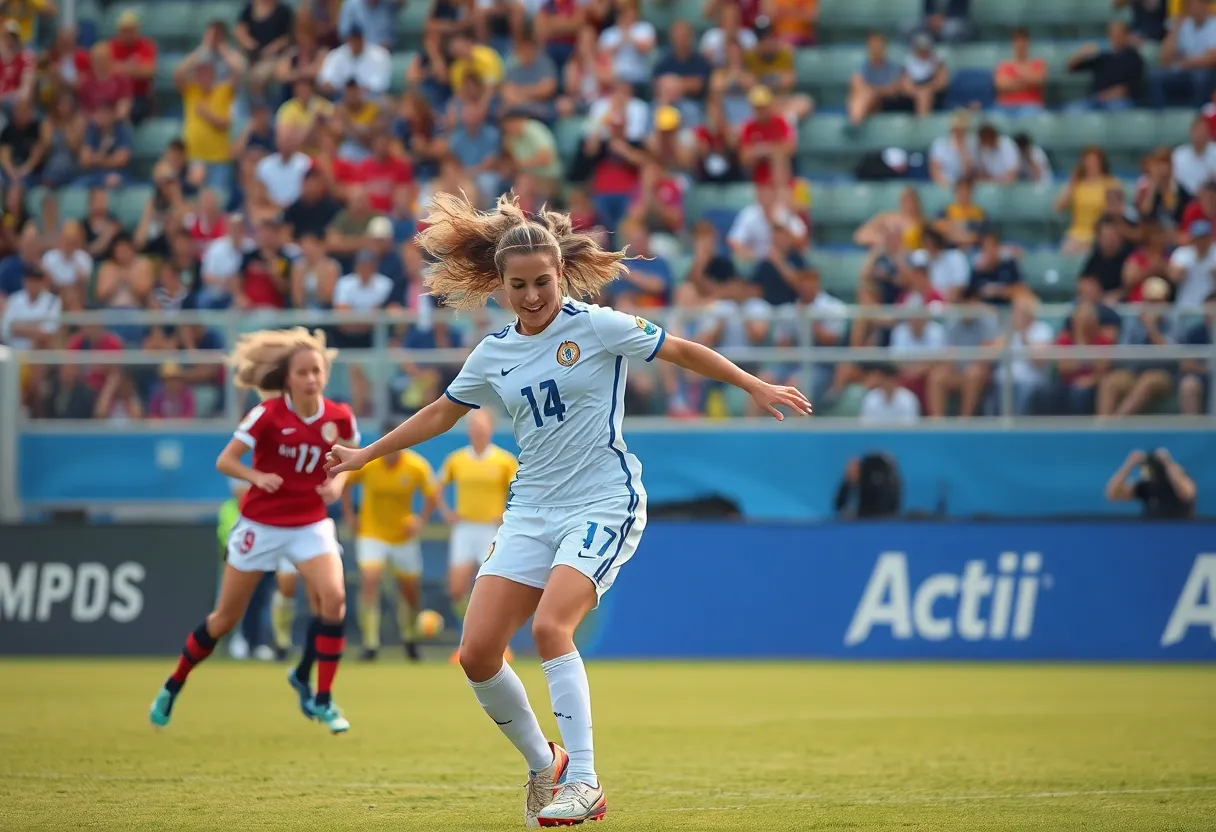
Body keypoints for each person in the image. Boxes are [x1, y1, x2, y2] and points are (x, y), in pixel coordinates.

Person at [325, 193, 811, 826]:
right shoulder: (493, 353)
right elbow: (441, 413)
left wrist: (753, 384)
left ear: (562, 275)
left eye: (543, 282)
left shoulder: (596, 325)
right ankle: (544, 763)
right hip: (530, 510)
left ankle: (584, 782)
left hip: (602, 501)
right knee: (476, 653)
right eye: (519, 285)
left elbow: (682, 349)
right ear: (498, 286)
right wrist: (367, 453)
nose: (533, 296)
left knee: (551, 629)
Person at [149, 328, 359, 734]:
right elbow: (225, 461)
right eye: (303, 372)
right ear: (287, 379)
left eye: (317, 370)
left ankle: (323, 698)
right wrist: (255, 476)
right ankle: (173, 684)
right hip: (260, 525)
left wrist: (337, 484)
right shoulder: (267, 414)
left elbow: (349, 462)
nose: (311, 378)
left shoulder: (340, 416)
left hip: (310, 522)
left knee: (333, 599)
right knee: (223, 619)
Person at [339, 422, 439, 662]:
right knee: (370, 579)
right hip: (372, 532)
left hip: (403, 537)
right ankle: (370, 644)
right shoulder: (369, 462)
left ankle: (410, 638)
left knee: (410, 592)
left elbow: (433, 494)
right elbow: (344, 483)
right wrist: (350, 515)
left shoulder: (416, 466)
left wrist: (420, 520)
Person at [437, 408, 519, 663]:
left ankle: (498, 643)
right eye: (472, 426)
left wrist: (507, 514)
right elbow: (436, 488)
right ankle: (469, 640)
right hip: (465, 529)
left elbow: (522, 490)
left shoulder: (504, 461)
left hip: (492, 532)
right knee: (456, 589)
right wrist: (447, 513)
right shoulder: (457, 459)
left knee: (492, 590)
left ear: (490, 430)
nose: (476, 431)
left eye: (481, 427)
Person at [1105, 449, 1197, 518]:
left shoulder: (1179, 481)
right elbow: (1113, 494)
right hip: (1151, 533)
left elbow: (1186, 493)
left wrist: (1167, 463)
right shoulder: (1147, 486)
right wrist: (1129, 465)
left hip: (1179, 532)